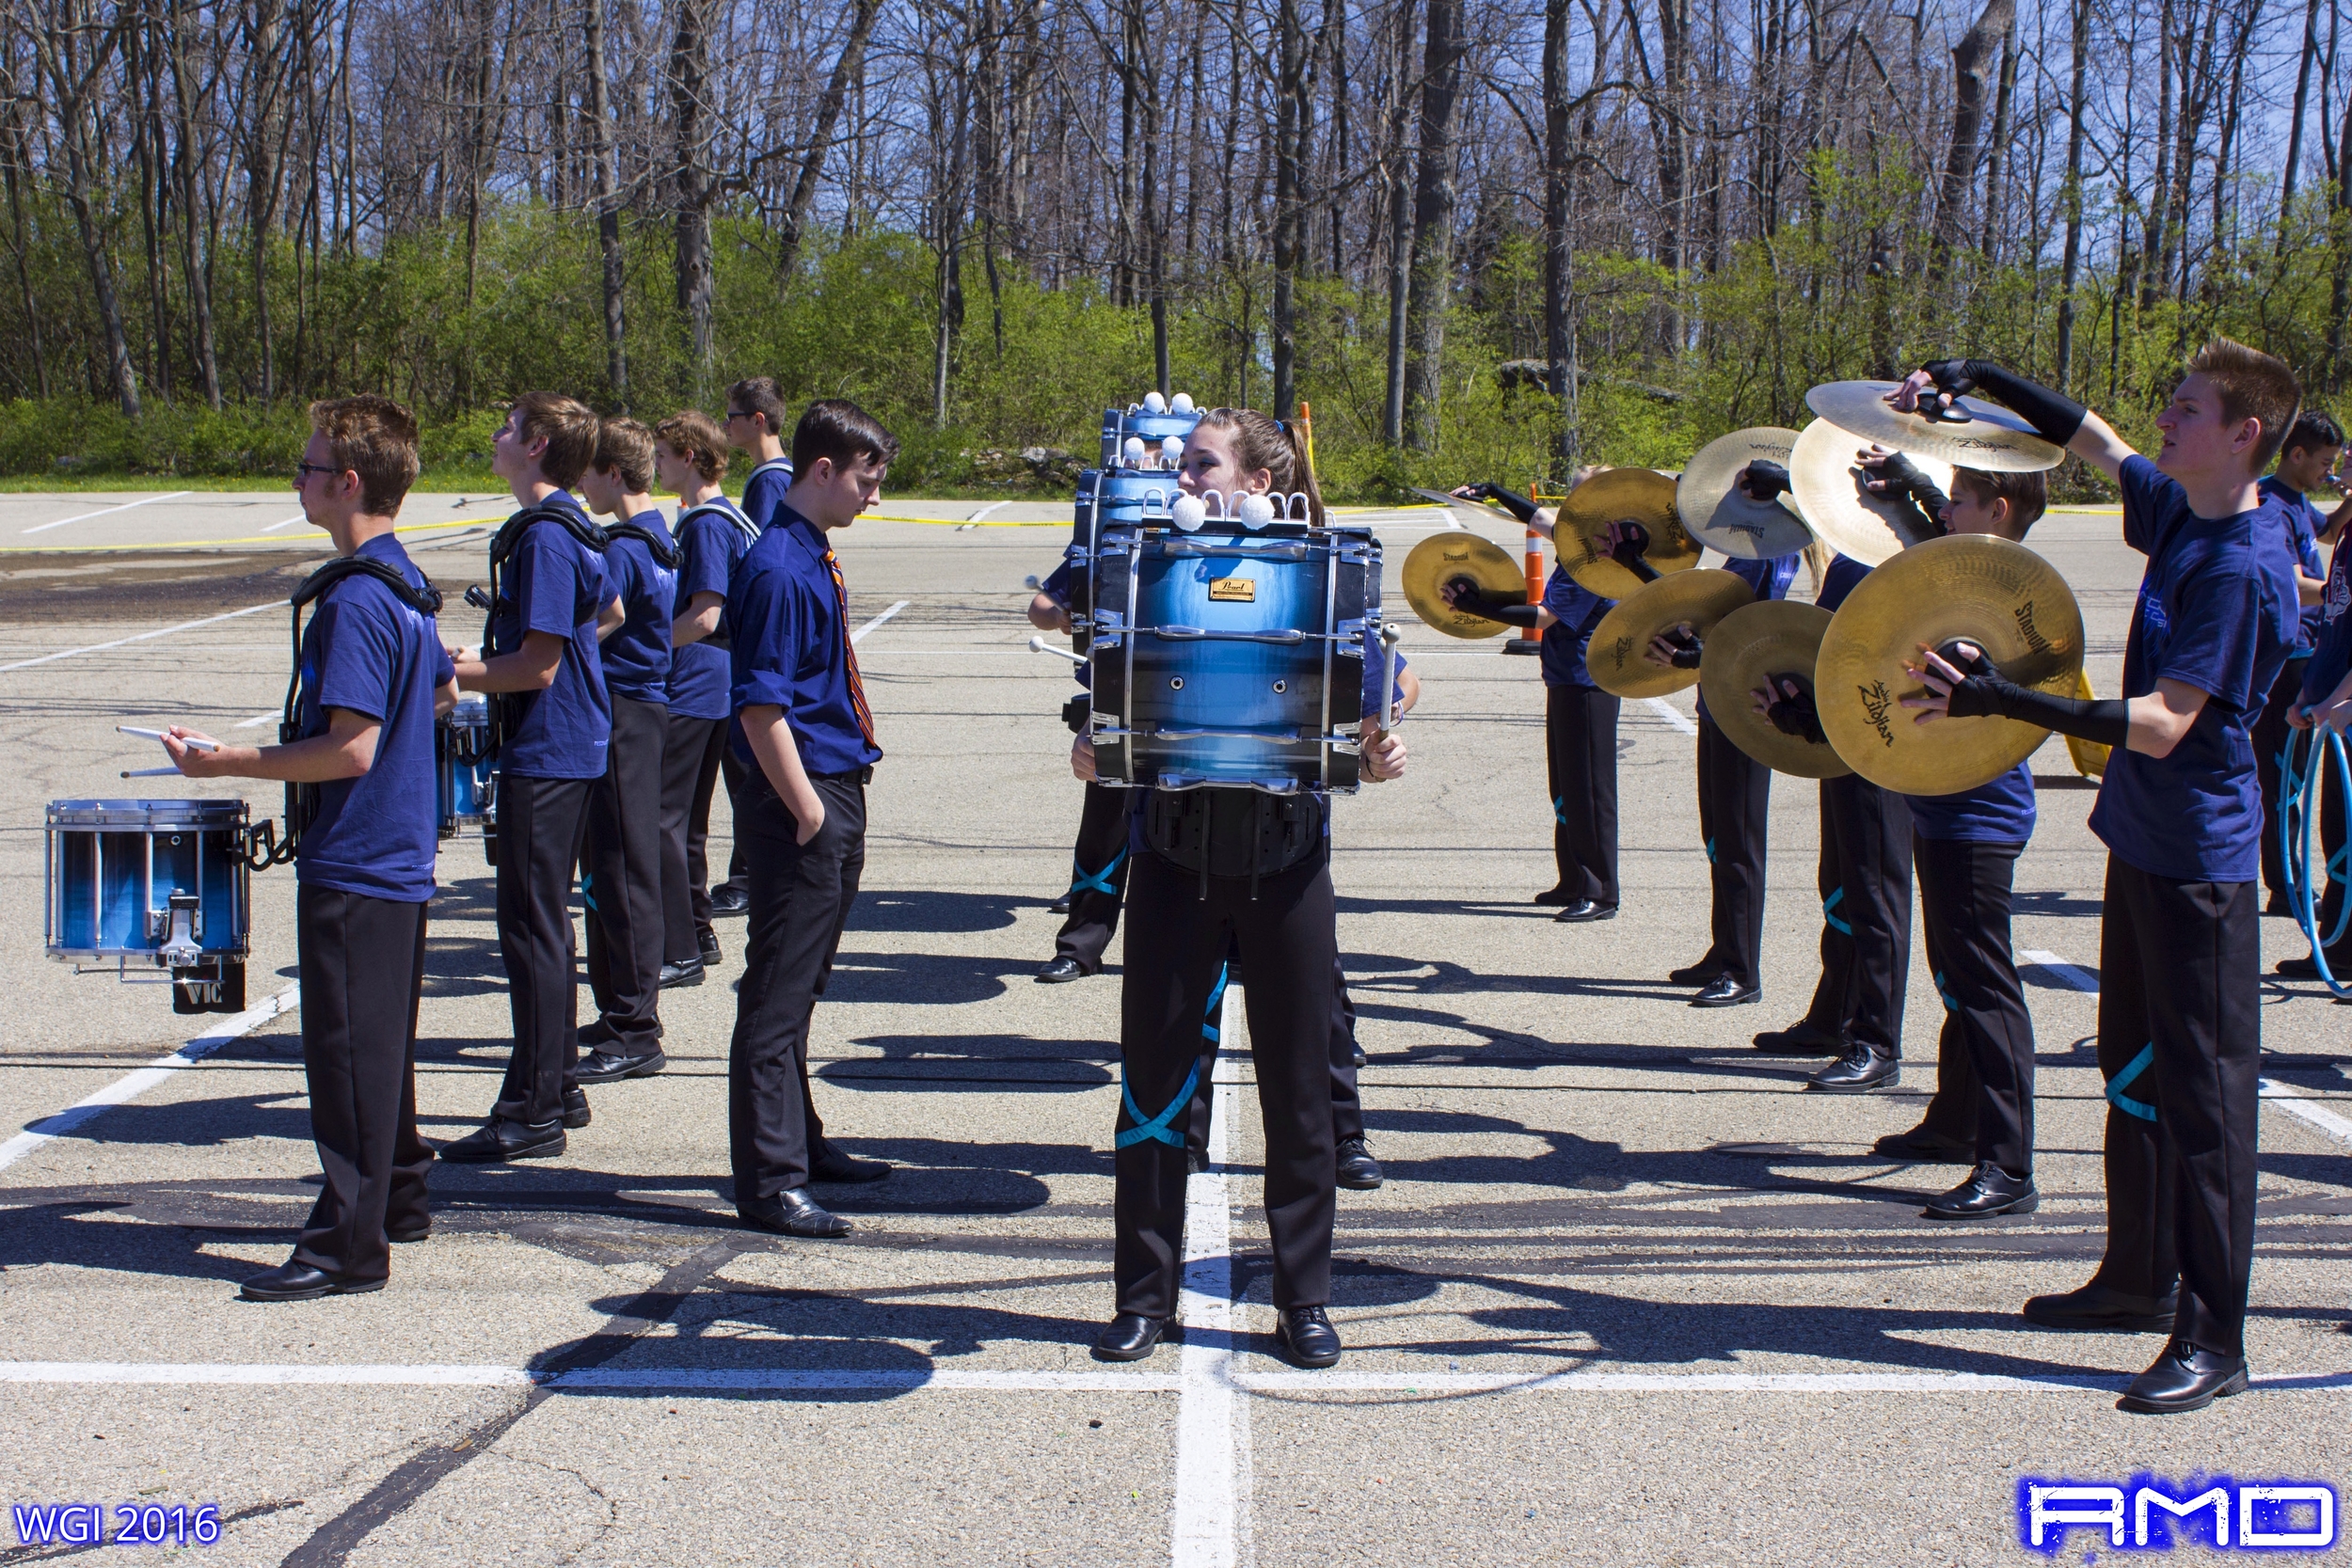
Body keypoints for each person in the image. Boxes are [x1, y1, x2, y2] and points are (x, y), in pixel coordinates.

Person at [1898, 341, 2300, 1415]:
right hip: (2140, 838)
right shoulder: (2184, 510)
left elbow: (2166, 724)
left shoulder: (2241, 564)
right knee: (2130, 1069)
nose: (2165, 423)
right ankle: (2134, 1276)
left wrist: (2006, 701)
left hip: (2200, 866)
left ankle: (2214, 1334)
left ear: (2244, 433)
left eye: (2187, 410)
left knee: (2207, 1105)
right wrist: (1978, 374)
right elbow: (2092, 439)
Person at [1076, 406, 1407, 1371]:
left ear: (1260, 482)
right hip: (1175, 860)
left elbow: (1379, 688)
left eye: (1200, 465)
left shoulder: (1319, 577)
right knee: (1151, 1092)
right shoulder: (1147, 570)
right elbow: (1102, 697)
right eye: (1180, 466)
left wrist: (1380, 745)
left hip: (1286, 863)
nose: (1181, 481)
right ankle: (1144, 1295)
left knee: (1299, 1092)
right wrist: (1088, 743)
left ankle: (1303, 1299)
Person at [163, 396, 455, 1300]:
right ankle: (397, 1199)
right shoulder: (403, 579)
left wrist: (227, 762)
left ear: (350, 483)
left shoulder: (358, 602)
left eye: (308, 466)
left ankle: (346, 1247)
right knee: (382, 1049)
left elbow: (350, 747)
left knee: (344, 1057)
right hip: (394, 851)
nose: (297, 478)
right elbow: (442, 692)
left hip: (359, 858)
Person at [725, 399, 898, 1241]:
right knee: (777, 992)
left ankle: (802, 1142)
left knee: (802, 985)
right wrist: (807, 815)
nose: (875, 498)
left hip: (831, 784)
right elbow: (762, 710)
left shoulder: (809, 554)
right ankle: (770, 1179)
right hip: (804, 795)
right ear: (822, 469)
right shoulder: (779, 569)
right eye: (866, 480)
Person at [441, 392, 623, 1164]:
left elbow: (538, 665)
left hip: (548, 750)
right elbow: (609, 612)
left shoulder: (547, 538)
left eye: (507, 428)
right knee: (544, 922)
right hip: (570, 742)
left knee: (532, 928)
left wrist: (458, 675)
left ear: (537, 443)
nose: (494, 436)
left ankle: (533, 1105)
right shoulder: (574, 527)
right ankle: (560, 1081)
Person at [1623, 509, 1802, 1006]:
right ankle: (1725, 948)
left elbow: (1750, 635)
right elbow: (1694, 613)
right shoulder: (1742, 556)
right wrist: (1638, 567)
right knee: (1719, 836)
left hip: (1747, 710)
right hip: (1717, 703)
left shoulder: (1768, 554)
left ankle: (1743, 970)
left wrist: (1691, 656)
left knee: (1739, 842)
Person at [1440, 476, 1619, 921]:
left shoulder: (1597, 558)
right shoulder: (1578, 537)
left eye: (1580, 495)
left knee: (1589, 792)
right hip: (1563, 677)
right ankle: (1574, 879)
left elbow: (1543, 617)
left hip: (1587, 681)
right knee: (1565, 788)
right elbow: (1539, 518)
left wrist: (1475, 606)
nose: (1569, 504)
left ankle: (1601, 890)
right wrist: (1493, 489)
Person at [574, 417, 677, 1083]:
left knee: (618, 868)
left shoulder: (621, 548)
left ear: (614, 473)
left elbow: (604, 615)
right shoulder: (661, 535)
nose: (580, 484)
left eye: (587, 471)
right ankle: (621, 1004)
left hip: (622, 709)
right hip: (647, 708)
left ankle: (634, 1024)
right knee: (620, 863)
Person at [654, 411, 755, 987]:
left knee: (664, 819)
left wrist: (641, 640)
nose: (657, 465)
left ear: (690, 456)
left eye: (663, 454)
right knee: (688, 820)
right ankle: (697, 930)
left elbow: (705, 615)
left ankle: (680, 946)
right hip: (718, 680)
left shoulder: (707, 524)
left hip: (698, 678)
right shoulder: (725, 515)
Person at [2260, 413, 2351, 974]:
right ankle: (2287, 886)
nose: (2336, 475)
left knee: (2332, 809)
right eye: (2327, 464)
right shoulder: (2272, 504)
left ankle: (2337, 932)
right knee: (2284, 783)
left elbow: (2326, 531)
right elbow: (2286, 579)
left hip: (2324, 677)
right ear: (2295, 456)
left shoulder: (2300, 502)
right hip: (2290, 661)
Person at [711, 377, 800, 916]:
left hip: (751, 641)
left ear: (759, 421)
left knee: (747, 764)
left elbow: (760, 559)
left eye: (734, 416)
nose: (728, 425)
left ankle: (747, 875)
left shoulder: (769, 482)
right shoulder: (775, 477)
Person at [1029, 560, 1131, 983]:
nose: (1183, 487)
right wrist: (1093, 725)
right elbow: (1043, 604)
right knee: (1103, 832)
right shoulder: (1130, 542)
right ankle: (1081, 944)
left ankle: (1236, 948)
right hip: (1134, 704)